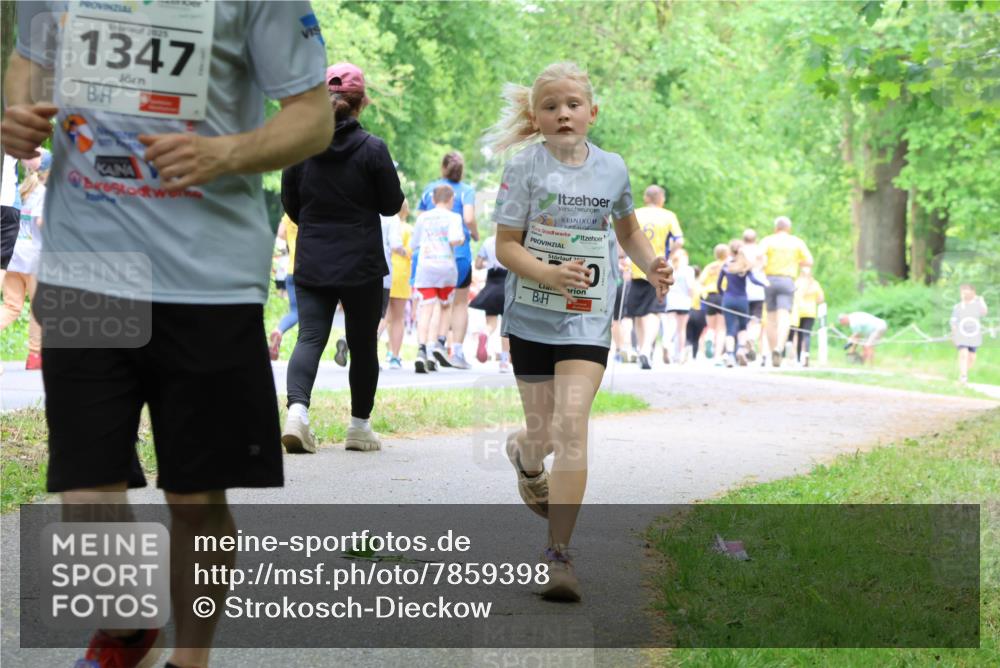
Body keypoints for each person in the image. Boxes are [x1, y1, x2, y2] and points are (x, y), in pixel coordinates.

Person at [2, 2, 332, 666]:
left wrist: (226, 151)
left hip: (206, 277)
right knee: (87, 491)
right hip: (88, 267)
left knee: (193, 497)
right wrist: (20, 114)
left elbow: (312, 115)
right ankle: (128, 633)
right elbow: (30, 63)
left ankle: (192, 657)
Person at [485, 61, 672, 602]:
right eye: (550, 106)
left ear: (593, 112)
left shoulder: (612, 168)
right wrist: (546, 273)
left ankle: (558, 556)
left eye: (572, 105)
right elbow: (505, 245)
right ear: (535, 117)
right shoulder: (523, 168)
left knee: (572, 427)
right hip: (531, 316)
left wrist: (651, 264)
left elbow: (629, 231)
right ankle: (523, 453)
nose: (562, 114)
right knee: (542, 434)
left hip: (588, 316)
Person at [281, 62, 405, 455]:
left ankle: (297, 415)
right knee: (363, 344)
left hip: (314, 259)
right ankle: (358, 427)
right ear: (361, 103)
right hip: (361, 264)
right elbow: (391, 206)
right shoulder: (372, 149)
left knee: (310, 337)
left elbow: (292, 205)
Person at [417, 152, 479, 369]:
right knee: (459, 304)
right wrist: (475, 234)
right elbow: (469, 218)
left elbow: (420, 219)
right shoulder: (467, 191)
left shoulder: (430, 190)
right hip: (458, 256)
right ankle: (456, 352)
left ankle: (429, 349)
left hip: (429, 257)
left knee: (431, 304)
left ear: (443, 167)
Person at [0, 149, 49, 369]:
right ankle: (34, 356)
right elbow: (41, 223)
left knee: (11, 306)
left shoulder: (16, 191)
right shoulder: (42, 192)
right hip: (34, 259)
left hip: (11, 256)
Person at [625, 185, 682, 369]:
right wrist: (669, 255)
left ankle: (643, 349)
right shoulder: (668, 216)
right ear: (661, 199)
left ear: (646, 198)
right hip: (658, 267)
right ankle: (646, 348)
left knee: (639, 312)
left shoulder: (635, 213)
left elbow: (624, 236)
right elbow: (679, 240)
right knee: (655, 312)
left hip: (636, 266)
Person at [412, 185, 465, 373]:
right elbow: (454, 239)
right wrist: (461, 240)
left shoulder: (423, 217)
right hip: (446, 268)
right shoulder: (454, 217)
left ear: (433, 200)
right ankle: (440, 343)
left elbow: (414, 243)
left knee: (426, 309)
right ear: (451, 200)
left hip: (426, 267)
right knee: (445, 306)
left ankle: (421, 349)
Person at [760, 216, 813, 366]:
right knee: (784, 316)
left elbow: (759, 256)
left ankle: (771, 351)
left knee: (770, 318)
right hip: (787, 280)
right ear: (788, 228)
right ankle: (779, 347)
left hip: (770, 279)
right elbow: (809, 260)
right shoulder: (796, 242)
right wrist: (796, 261)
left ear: (775, 228)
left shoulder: (768, 240)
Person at [717, 242, 769, 366]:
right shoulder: (745, 266)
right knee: (742, 327)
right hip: (742, 300)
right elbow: (754, 280)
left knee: (729, 329)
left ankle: (729, 355)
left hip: (728, 299)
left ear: (730, 251)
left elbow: (718, 285)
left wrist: (723, 294)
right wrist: (765, 284)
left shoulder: (726, 266)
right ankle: (741, 349)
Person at [470, 233, 511, 371]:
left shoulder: (488, 241)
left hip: (492, 284)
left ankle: (485, 334)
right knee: (506, 327)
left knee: (490, 323)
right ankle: (504, 361)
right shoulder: (512, 240)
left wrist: (489, 263)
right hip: (507, 284)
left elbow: (478, 264)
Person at [268, 214, 300, 361]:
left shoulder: (289, 214)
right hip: (309, 272)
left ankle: (278, 330)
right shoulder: (311, 209)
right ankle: (304, 352)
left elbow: (280, 234)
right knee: (310, 315)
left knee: (294, 311)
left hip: (291, 271)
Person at [386, 199, 412, 369]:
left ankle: (385, 351)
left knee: (384, 315)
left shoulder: (382, 221)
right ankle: (395, 356)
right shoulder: (408, 229)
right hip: (402, 273)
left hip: (386, 271)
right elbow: (410, 251)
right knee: (398, 317)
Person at [662, 248, 696, 365]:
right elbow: (690, 287)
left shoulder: (670, 269)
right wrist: (692, 298)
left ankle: (666, 343)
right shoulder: (688, 270)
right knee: (681, 329)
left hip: (671, 301)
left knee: (671, 326)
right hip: (684, 302)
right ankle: (680, 354)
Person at [951, 284, 988, 384]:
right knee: (963, 353)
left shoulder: (976, 306)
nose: (965, 295)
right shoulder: (957, 307)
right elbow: (953, 322)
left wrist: (981, 300)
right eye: (963, 293)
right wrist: (954, 335)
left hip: (973, 335)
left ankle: (963, 373)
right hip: (961, 334)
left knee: (972, 357)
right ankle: (964, 376)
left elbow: (984, 312)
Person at [699, 243, 730, 362]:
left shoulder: (710, 267)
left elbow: (701, 281)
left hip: (710, 296)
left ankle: (709, 338)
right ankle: (717, 356)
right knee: (721, 328)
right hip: (723, 295)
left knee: (711, 327)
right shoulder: (728, 266)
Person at [791, 266, 824, 367]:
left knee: (799, 334)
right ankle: (806, 355)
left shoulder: (797, 283)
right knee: (807, 334)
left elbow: (792, 295)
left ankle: (798, 358)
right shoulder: (815, 284)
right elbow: (821, 299)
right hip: (810, 311)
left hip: (799, 311)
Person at [741, 228, 766, 360]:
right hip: (758, 291)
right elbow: (765, 266)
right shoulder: (760, 251)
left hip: (742, 291)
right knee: (756, 319)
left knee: (743, 320)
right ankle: (751, 338)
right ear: (755, 238)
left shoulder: (740, 251)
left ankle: (743, 347)